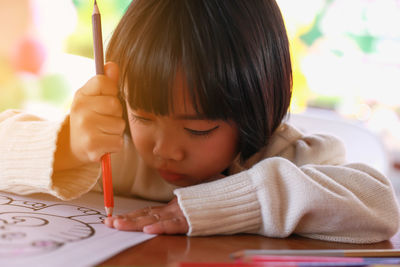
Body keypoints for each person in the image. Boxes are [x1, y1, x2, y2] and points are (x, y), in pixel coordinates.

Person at [0, 0, 399, 243]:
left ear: (258, 105)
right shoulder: (111, 147)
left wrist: (235, 203)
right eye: (142, 115)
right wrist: (68, 145)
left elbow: (380, 208)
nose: (164, 150)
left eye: (198, 129)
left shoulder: (281, 156)